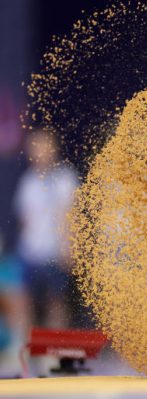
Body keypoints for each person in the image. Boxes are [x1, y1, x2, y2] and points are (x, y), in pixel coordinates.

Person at [13, 129, 78, 329]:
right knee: (24, 301)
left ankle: (56, 346)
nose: (38, 152)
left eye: (43, 146)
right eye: (34, 147)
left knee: (56, 302)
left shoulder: (65, 178)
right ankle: (26, 349)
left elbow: (71, 216)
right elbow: (23, 218)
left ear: (53, 149)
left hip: (55, 251)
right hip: (30, 250)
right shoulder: (28, 180)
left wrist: (69, 247)